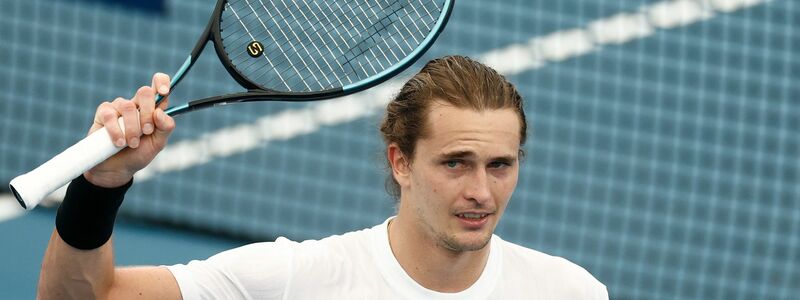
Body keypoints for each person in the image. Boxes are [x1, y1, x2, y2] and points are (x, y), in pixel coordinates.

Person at [38, 55, 608, 299]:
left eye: (500, 165)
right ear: (400, 162)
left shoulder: (570, 293)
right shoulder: (293, 280)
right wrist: (100, 187)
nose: (481, 192)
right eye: (455, 162)